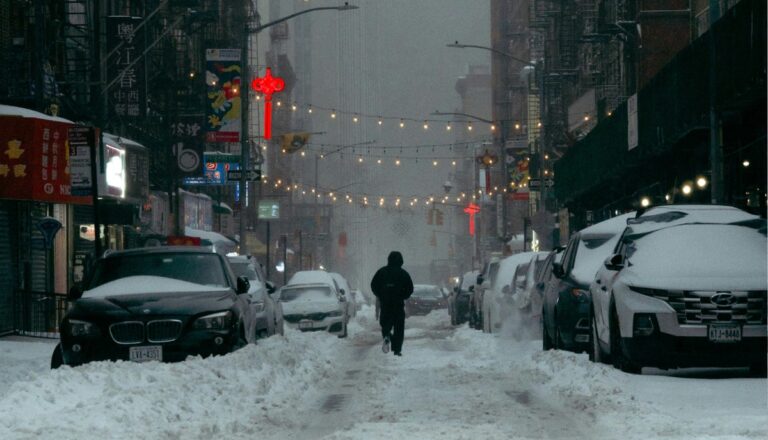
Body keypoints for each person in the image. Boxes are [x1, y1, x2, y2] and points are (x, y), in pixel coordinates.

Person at [370, 251, 414, 356]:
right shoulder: (403, 274)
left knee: (385, 323)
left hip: (385, 305)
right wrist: (403, 295)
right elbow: (410, 288)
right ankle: (397, 349)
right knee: (399, 328)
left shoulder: (381, 272)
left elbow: (373, 285)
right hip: (398, 305)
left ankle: (387, 335)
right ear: (401, 261)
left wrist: (380, 295)